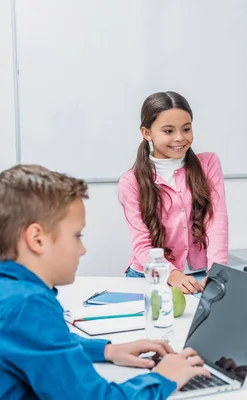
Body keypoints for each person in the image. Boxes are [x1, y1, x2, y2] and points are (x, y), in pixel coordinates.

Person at [0, 164, 209, 399]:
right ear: (37, 239)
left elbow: (45, 342)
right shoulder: (29, 305)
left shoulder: (11, 293)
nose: (82, 249)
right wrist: (163, 378)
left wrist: (107, 350)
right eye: (77, 235)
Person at [119, 91, 228, 294]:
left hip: (201, 275)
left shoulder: (208, 164)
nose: (180, 138)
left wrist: (216, 272)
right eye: (168, 131)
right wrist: (172, 274)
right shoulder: (131, 181)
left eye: (186, 129)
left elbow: (216, 222)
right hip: (153, 277)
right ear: (147, 133)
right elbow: (142, 244)